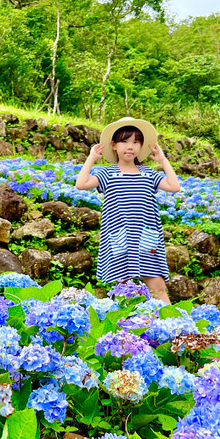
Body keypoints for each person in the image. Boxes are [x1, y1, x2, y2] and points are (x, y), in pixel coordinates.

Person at [74, 116, 180, 303]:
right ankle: (126, 329)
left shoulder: (148, 173)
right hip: (119, 235)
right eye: (124, 141)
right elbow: (81, 184)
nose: (130, 146)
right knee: (124, 287)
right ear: (114, 145)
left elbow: (174, 186)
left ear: (141, 147)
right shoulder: (107, 173)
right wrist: (91, 157)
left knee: (157, 286)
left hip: (146, 235)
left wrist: (162, 160)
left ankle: (174, 326)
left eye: (135, 142)